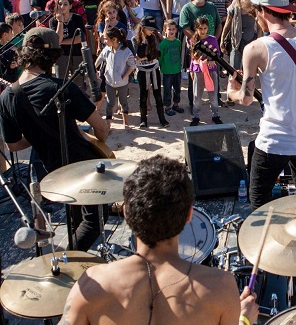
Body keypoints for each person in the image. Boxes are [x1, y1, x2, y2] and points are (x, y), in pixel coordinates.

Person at [59, 155, 258, 325]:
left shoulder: (92, 285)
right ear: (189, 215)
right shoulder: (220, 287)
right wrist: (244, 321)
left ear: (126, 213)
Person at [0, 27, 109, 251]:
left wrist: (37, 133)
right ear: (52, 58)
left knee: (74, 214)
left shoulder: (7, 97)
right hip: (82, 166)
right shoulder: (60, 88)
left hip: (49, 170)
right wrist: (99, 141)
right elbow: (102, 128)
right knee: (94, 218)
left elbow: (12, 144)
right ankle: (71, 259)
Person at [227, 0, 296, 210]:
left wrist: (230, 91)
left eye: (255, 13)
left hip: (274, 141)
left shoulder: (255, 49)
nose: (256, 19)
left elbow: (245, 99)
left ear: (263, 11)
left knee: (259, 200)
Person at [133, 16, 169, 128]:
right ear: (143, 28)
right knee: (143, 95)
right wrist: (143, 45)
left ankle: (162, 119)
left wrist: (143, 58)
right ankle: (143, 119)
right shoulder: (135, 40)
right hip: (142, 71)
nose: (152, 31)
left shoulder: (155, 38)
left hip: (154, 69)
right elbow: (136, 55)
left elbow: (156, 54)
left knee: (157, 95)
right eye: (149, 28)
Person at [96, 26, 135, 128]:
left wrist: (124, 77)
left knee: (123, 102)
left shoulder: (126, 51)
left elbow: (132, 66)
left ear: (114, 39)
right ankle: (108, 123)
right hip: (109, 82)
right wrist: (94, 68)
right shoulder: (107, 49)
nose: (104, 41)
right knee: (110, 103)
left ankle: (125, 123)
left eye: (106, 39)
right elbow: (100, 59)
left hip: (122, 83)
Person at [189, 16, 222, 126]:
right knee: (197, 96)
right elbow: (192, 57)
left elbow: (217, 54)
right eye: (200, 28)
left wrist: (213, 59)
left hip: (211, 70)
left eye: (204, 28)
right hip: (198, 71)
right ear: (196, 28)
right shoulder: (193, 40)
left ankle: (215, 114)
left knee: (213, 95)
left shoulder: (212, 39)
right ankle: (196, 116)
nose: (202, 31)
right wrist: (191, 70)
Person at [159, 20, 184, 117]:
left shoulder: (178, 42)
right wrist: (161, 67)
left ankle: (176, 104)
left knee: (177, 89)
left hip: (177, 70)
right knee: (167, 89)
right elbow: (160, 57)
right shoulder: (163, 44)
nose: (172, 31)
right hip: (167, 71)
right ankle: (167, 106)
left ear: (176, 30)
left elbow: (179, 54)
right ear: (165, 30)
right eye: (169, 29)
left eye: (173, 29)